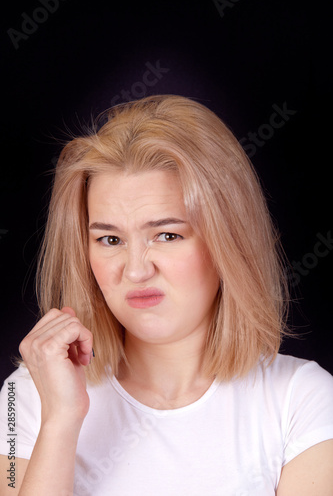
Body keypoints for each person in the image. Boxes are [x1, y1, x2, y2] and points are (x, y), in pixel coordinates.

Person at [0, 95, 332, 496]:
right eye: (110, 239)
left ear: (229, 240)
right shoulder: (26, 395)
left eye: (168, 235)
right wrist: (61, 421)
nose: (137, 269)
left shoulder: (303, 399)